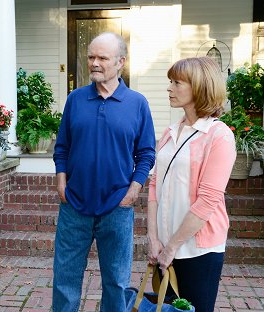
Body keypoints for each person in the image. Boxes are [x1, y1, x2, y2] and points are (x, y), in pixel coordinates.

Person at [53, 32, 156, 312]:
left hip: (117, 207)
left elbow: (146, 153)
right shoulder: (75, 100)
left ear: (121, 61)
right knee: (65, 279)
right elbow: (61, 147)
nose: (94, 63)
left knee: (117, 282)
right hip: (74, 205)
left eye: (102, 58)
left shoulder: (137, 103)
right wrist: (61, 183)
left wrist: (133, 191)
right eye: (91, 57)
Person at [147, 57, 236, 312]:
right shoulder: (170, 132)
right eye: (169, 82)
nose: (169, 88)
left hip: (198, 250)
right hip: (164, 246)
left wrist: (173, 246)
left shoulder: (218, 136)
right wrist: (155, 239)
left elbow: (209, 200)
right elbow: (154, 186)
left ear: (199, 87)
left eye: (177, 82)